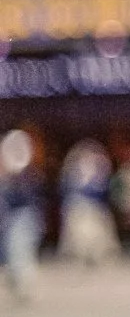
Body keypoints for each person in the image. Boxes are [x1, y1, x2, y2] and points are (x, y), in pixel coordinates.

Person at [58, 138, 119, 267]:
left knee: (101, 236)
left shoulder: (100, 167)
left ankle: (100, 259)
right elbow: (67, 187)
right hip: (78, 207)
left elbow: (103, 189)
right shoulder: (74, 169)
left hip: (96, 208)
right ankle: (77, 261)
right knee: (78, 237)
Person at [1, 128, 45, 303]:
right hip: (11, 219)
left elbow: (30, 198)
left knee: (21, 252)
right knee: (12, 253)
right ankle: (17, 283)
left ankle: (25, 287)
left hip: (24, 217)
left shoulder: (27, 176)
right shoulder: (7, 179)